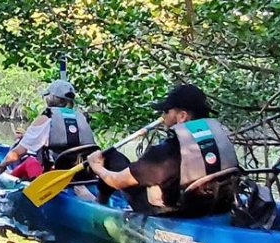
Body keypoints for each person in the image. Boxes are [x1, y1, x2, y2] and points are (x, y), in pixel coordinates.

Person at [85, 83, 239, 216]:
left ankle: (99, 206)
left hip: (174, 213)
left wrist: (97, 167)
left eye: (166, 111)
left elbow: (117, 181)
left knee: (112, 157)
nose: (163, 116)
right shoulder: (220, 140)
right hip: (213, 207)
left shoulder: (165, 154)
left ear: (182, 116)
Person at [0, 79, 97, 181]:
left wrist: (1, 166)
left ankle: (10, 175)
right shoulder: (81, 117)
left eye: (47, 96)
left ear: (52, 97)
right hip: (82, 174)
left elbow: (18, 152)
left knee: (30, 161)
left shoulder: (47, 117)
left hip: (54, 176)